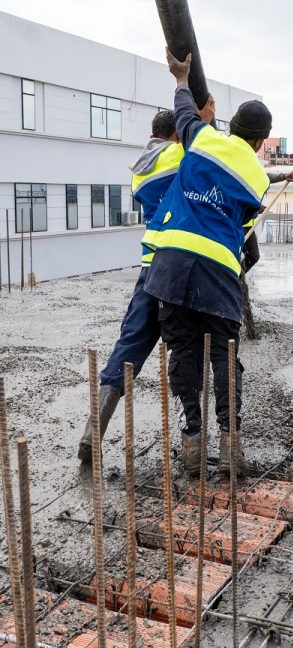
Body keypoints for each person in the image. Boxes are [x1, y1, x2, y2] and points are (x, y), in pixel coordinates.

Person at [142, 48, 271, 478]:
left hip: (171, 266)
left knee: (182, 353)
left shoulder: (202, 137)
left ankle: (192, 447)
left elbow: (184, 115)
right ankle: (231, 448)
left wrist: (181, 79)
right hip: (218, 273)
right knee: (224, 356)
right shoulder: (258, 176)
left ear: (229, 127)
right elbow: (244, 220)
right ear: (260, 142)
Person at [77, 102, 213, 462]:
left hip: (150, 264)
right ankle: (192, 443)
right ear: (173, 134)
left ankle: (94, 428)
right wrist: (203, 121)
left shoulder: (139, 169)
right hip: (178, 264)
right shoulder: (178, 154)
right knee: (185, 349)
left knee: (130, 344)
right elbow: (209, 154)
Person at [242, 170, 293, 273]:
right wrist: (254, 206)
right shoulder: (238, 170)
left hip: (248, 225)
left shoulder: (254, 170)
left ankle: (238, 277)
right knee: (231, 256)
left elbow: (263, 176)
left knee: (253, 256)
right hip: (234, 224)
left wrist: (283, 176)